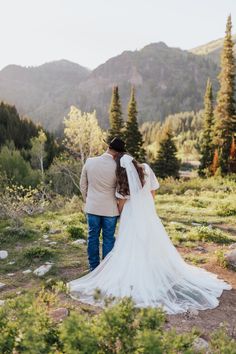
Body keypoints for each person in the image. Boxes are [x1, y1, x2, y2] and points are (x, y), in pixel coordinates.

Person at [69, 153, 231, 314]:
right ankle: (154, 270)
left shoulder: (123, 181)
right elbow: (153, 191)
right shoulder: (146, 169)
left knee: (129, 243)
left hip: (130, 215)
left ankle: (105, 269)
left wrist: (118, 214)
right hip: (147, 213)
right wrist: (147, 206)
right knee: (150, 241)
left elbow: (121, 204)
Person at [79, 137, 126, 271]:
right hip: (110, 210)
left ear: (108, 148)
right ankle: (106, 270)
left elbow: (83, 185)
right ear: (118, 153)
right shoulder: (118, 167)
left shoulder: (90, 161)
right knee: (108, 239)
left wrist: (88, 200)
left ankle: (93, 268)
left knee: (92, 237)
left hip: (92, 207)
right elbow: (120, 190)